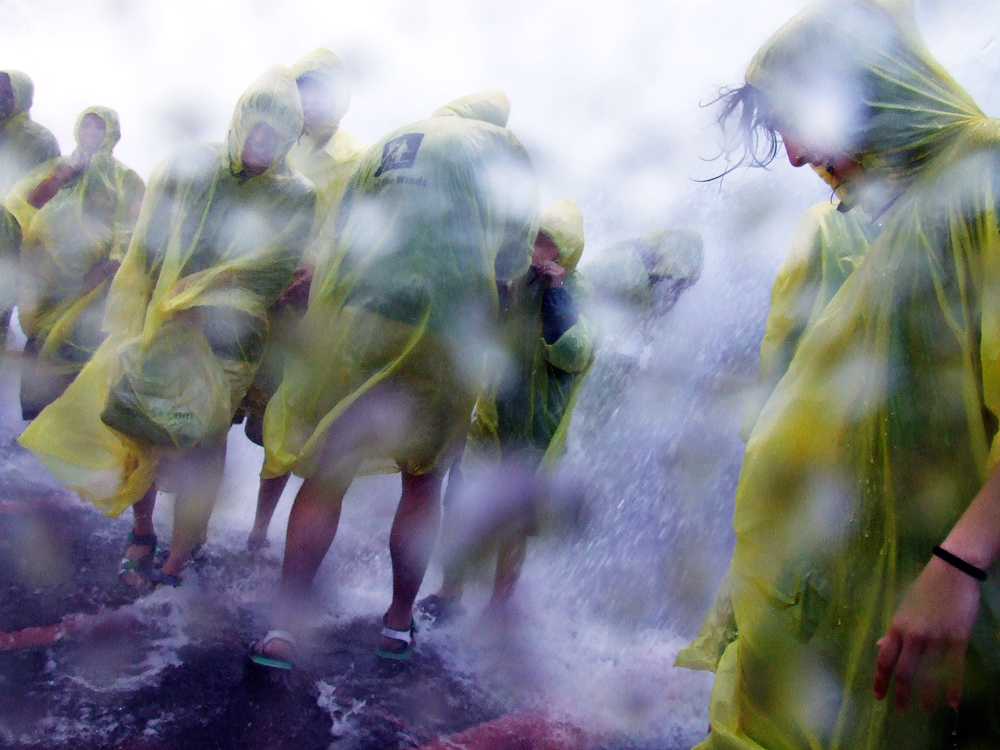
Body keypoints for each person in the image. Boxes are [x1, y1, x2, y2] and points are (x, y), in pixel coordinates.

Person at [678, 1, 1000, 748]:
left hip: (943, 621)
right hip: (872, 623)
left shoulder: (983, 172)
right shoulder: (912, 215)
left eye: (795, 119)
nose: (795, 157)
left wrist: (958, 565)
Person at [250, 90, 539, 668]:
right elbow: (512, 259)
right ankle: (398, 624)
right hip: (447, 330)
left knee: (330, 470)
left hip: (364, 317)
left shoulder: (390, 142)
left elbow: (343, 234)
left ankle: (284, 626)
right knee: (423, 481)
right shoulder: (502, 148)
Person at [17, 66, 315, 590]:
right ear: (240, 121)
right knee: (141, 423)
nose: (263, 142)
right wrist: (135, 314)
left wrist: (200, 297)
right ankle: (142, 531)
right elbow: (146, 246)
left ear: (291, 136)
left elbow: (270, 270)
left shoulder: (296, 194)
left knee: (203, 443)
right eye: (257, 128)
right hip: (158, 320)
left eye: (277, 133)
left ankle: (179, 555)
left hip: (229, 339)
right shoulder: (188, 166)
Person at [418, 199, 593, 621]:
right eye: (532, 237)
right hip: (492, 415)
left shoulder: (579, 292)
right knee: (461, 500)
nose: (534, 248)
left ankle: (499, 607)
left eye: (545, 241)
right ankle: (449, 593)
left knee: (514, 522)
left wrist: (556, 294)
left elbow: (572, 353)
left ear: (565, 251)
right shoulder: (514, 279)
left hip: (537, 428)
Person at [243, 48, 366, 555]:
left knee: (282, 418)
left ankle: (258, 528)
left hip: (305, 306)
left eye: (321, 93)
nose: (311, 102)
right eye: (303, 90)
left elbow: (357, 234)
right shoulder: (273, 142)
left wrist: (321, 275)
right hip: (252, 292)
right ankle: (189, 523)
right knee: (222, 400)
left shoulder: (355, 158)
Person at [4, 106, 144, 419]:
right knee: (40, 338)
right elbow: (29, 200)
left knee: (73, 346)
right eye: (86, 126)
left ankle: (66, 422)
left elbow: (131, 225)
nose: (91, 133)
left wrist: (110, 266)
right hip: (46, 276)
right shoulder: (60, 166)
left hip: (89, 281)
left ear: (111, 134)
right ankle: (34, 418)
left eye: (99, 127)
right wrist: (67, 172)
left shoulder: (124, 178)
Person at [0, 70, 59, 350]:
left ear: (22, 97)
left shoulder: (39, 139)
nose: (0, 98)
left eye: (7, 93)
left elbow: (52, 190)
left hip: (15, 235)